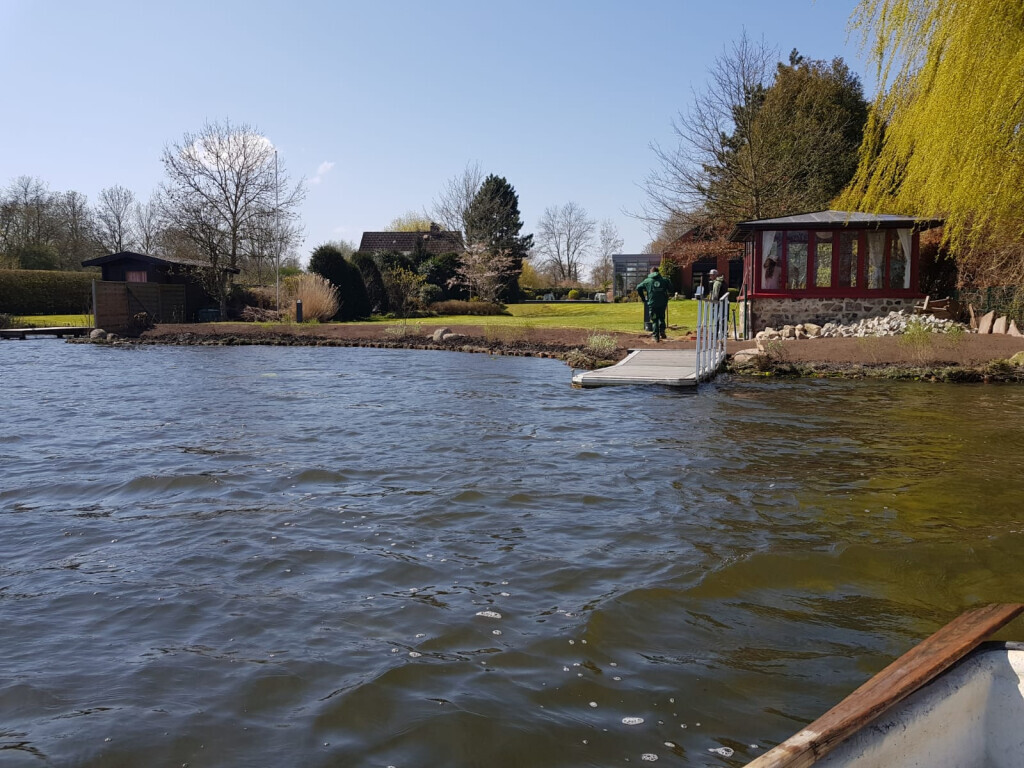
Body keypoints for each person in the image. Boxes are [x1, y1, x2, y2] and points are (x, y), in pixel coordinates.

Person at [636, 266, 672, 341]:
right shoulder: (664, 280)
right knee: (662, 317)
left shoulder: (647, 281)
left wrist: (643, 298)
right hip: (662, 303)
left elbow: (638, 287)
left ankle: (656, 337)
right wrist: (667, 293)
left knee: (654, 319)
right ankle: (662, 331)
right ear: (658, 272)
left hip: (652, 303)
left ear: (651, 272)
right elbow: (671, 288)